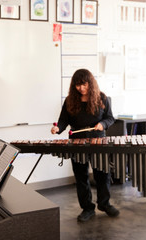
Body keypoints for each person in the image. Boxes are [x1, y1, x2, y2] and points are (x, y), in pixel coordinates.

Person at [51, 69, 119, 222]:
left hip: (98, 142)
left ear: (90, 83)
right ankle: (87, 208)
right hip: (78, 142)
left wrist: (102, 124)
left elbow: (110, 118)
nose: (81, 88)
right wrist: (58, 128)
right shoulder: (70, 101)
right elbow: (63, 120)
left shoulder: (102, 98)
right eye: (77, 85)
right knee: (81, 176)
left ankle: (104, 203)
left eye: (84, 84)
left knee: (102, 174)